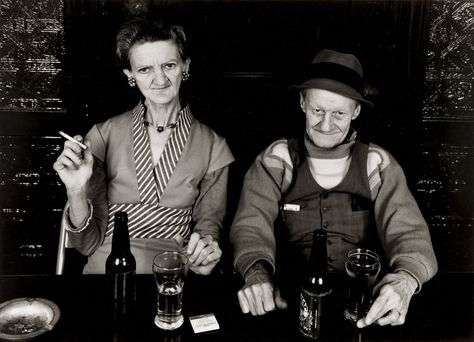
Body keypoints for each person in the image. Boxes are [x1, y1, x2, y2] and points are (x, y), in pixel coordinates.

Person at [230, 49, 437, 328]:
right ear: (303, 103)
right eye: (317, 110)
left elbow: (409, 232)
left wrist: (404, 282)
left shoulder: (377, 163)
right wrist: (257, 274)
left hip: (362, 305)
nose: (326, 125)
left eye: (339, 113)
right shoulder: (277, 158)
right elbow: (250, 223)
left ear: (356, 111)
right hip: (288, 302)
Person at [53, 16, 234, 275]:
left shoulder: (214, 147)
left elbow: (208, 231)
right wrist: (75, 190)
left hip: (173, 278)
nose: (159, 79)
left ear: (185, 66)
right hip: (106, 272)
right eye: (145, 69)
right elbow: (86, 244)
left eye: (169, 65)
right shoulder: (103, 137)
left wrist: (204, 251)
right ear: (130, 75)